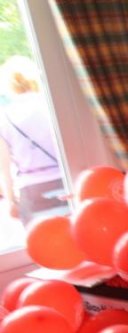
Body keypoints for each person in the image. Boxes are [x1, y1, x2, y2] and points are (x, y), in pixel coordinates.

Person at [0, 56, 68, 226]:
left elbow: (4, 166)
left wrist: (11, 201)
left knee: (43, 238)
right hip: (66, 181)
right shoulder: (53, 106)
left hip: (31, 190)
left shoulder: (4, 117)